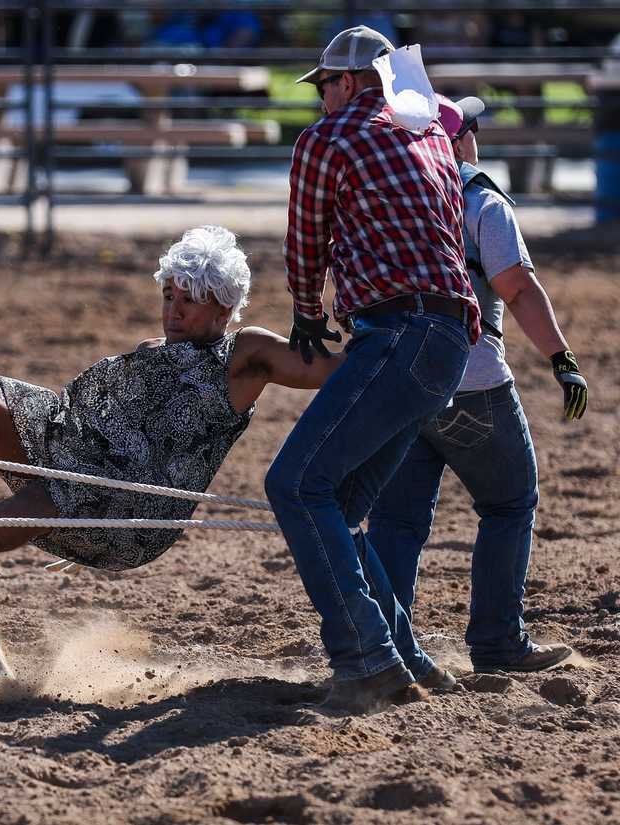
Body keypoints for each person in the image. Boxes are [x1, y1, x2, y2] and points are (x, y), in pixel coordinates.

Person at [0, 226, 344, 583]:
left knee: (54, 494)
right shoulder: (159, 350)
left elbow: (336, 372)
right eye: (169, 297)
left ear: (224, 308)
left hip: (127, 512)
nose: (174, 313)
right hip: (72, 445)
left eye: (191, 301)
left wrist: (378, 326)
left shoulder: (246, 356)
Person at [263, 25, 481, 711]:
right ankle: (405, 656)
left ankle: (366, 659)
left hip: (397, 333)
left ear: (348, 83)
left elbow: (307, 236)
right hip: (447, 343)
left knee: (296, 484)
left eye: (325, 84)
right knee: (344, 501)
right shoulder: (427, 134)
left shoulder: (329, 138)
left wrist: (303, 310)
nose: (320, 98)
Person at [367, 95, 589, 675]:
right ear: (459, 140)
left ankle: (388, 647)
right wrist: (561, 358)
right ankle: (497, 642)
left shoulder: (387, 202)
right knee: (509, 503)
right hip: (471, 383)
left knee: (397, 521)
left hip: (396, 381)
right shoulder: (482, 201)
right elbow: (515, 287)